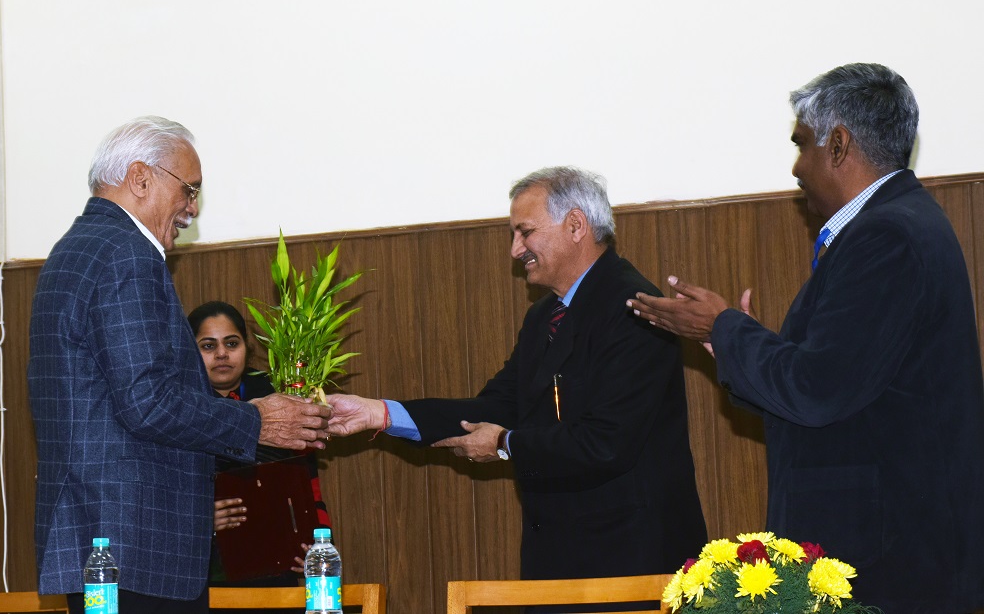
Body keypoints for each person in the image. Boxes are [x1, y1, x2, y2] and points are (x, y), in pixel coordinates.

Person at [627, 63, 984, 613]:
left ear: (838, 145)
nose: (795, 167)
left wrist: (725, 326)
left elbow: (818, 389)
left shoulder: (885, 236)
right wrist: (732, 343)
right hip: (890, 551)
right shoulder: (895, 224)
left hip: (890, 564)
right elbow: (837, 383)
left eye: (801, 144)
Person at [327, 167, 707, 590]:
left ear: (576, 225)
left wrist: (505, 444)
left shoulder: (634, 308)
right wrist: (380, 414)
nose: (515, 250)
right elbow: (497, 408)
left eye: (525, 232)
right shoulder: (544, 316)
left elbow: (607, 442)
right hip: (559, 560)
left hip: (630, 565)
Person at [27, 116, 331, 614]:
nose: (193, 207)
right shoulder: (126, 254)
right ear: (140, 177)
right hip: (139, 544)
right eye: (189, 190)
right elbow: (147, 402)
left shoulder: (75, 249)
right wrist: (256, 420)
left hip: (103, 539)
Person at [189, 301, 330, 614]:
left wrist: (316, 543)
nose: (222, 354)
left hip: (275, 566)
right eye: (208, 346)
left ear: (246, 348)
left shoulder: (278, 400)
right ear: (189, 352)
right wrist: (196, 519)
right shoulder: (176, 406)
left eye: (232, 343)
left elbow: (307, 483)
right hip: (200, 571)